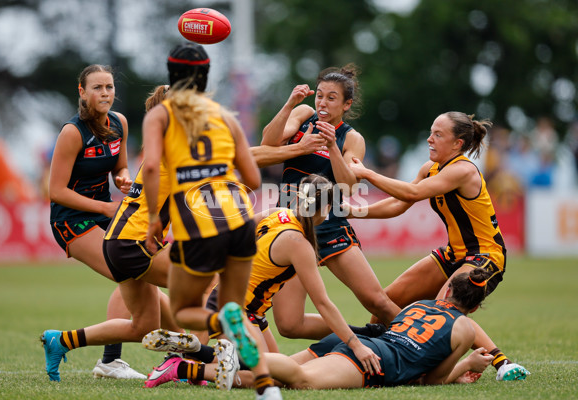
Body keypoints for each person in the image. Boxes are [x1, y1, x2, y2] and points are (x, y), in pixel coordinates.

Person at [41, 85, 220, 383]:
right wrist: (292, 150)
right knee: (208, 280)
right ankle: (188, 365)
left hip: (122, 241)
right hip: (126, 242)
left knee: (143, 326)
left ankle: (62, 341)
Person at [141, 42, 281, 399]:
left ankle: (220, 325)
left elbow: (153, 166)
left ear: (171, 75)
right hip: (239, 218)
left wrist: (155, 217)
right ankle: (267, 390)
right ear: (206, 76)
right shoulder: (225, 116)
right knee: (236, 311)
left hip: (198, 221)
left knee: (185, 311)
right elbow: (252, 179)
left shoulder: (161, 114)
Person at [347, 111, 530, 381]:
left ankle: (503, 363)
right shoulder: (430, 168)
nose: (430, 139)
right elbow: (399, 204)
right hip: (453, 254)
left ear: (457, 144)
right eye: (431, 132)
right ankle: (379, 352)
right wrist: (350, 211)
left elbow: (412, 193)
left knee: (446, 309)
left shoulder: (463, 170)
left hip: (485, 256)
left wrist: (366, 174)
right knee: (384, 303)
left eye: (438, 135)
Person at [251, 64, 401, 340]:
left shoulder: (351, 138)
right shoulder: (303, 115)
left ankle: (423, 340)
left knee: (376, 301)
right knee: (289, 325)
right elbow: (267, 144)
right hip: (291, 226)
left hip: (327, 222)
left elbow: (349, 185)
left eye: (331, 98)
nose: (322, 102)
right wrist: (289, 104)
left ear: (346, 105)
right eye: (319, 95)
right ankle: (369, 335)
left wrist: (332, 146)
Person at [160, 268, 497, 389]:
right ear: (477, 304)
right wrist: (467, 364)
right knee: (298, 378)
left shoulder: (417, 305)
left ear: (448, 288)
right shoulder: (465, 328)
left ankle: (190, 365)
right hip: (372, 360)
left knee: (277, 378)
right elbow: (432, 380)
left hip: (357, 342)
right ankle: (233, 351)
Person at [200, 174, 381, 375]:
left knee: (282, 369)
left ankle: (198, 352)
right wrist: (356, 345)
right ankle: (194, 360)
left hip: (249, 311)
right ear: (327, 208)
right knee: (266, 374)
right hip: (236, 310)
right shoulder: (299, 245)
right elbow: (323, 303)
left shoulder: (279, 213)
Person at [44, 64, 143, 381]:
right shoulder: (73, 133)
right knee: (129, 272)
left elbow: (121, 168)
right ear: (82, 91)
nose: (105, 93)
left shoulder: (120, 123)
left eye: (109, 87)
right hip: (71, 221)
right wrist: (105, 208)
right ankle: (110, 361)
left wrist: (124, 179)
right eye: (98, 87)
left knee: (137, 274)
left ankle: (110, 361)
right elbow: (56, 191)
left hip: (103, 212)